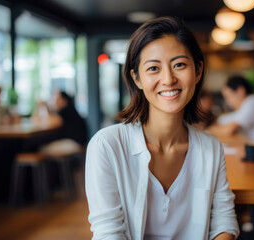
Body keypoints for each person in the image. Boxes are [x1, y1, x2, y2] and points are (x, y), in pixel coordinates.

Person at [85, 17, 239, 240]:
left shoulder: (211, 148)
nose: (168, 79)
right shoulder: (107, 146)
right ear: (136, 78)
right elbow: (108, 234)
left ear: (197, 71)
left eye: (179, 65)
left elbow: (223, 222)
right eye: (154, 68)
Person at [208, 75, 254, 146]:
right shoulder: (245, 106)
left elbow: (229, 130)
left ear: (240, 91)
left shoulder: (253, 102)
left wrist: (209, 130)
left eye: (228, 96)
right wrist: (212, 129)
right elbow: (221, 121)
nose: (227, 102)